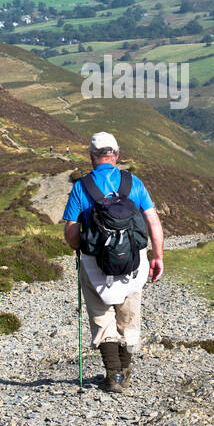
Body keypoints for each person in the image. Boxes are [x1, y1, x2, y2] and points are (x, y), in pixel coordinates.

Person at [62, 132, 164, 394]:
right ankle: (125, 369)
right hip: (133, 262)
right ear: (117, 155)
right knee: (128, 315)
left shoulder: (81, 187)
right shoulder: (133, 182)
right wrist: (157, 256)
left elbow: (72, 233)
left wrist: (79, 248)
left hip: (95, 262)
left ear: (91, 157)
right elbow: (153, 221)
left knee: (101, 315)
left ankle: (114, 375)